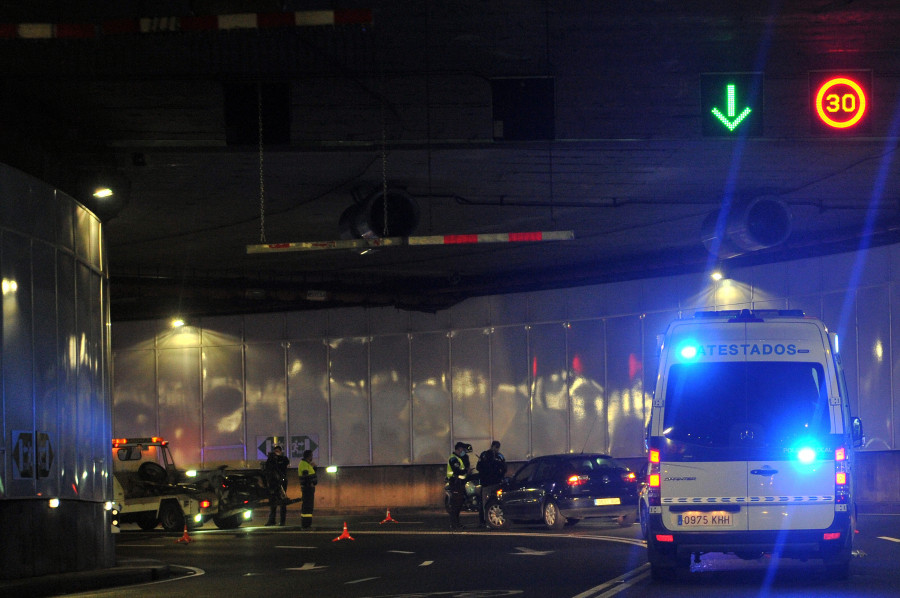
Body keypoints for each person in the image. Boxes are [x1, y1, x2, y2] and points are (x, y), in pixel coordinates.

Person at [476, 440, 507, 527]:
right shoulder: (489, 456)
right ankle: (484, 521)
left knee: (487, 503)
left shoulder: (486, 455)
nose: (496, 449)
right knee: (486, 503)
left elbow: (479, 467)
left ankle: (485, 522)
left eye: (498, 448)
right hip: (491, 483)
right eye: (496, 447)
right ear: (492, 446)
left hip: (490, 483)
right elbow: (504, 468)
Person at [263, 445, 290, 526]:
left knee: (282, 500)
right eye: (275, 451)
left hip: (282, 482)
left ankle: (282, 521)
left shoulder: (283, 459)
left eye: (278, 451)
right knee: (272, 501)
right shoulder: (271, 460)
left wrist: (278, 458)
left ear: (281, 452)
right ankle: (271, 520)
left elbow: (286, 463)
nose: (276, 453)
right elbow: (268, 468)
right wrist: (272, 458)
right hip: (273, 482)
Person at [446, 441, 470, 530]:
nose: (463, 451)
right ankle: (454, 524)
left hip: (459, 483)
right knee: (455, 505)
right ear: (459, 449)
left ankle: (457, 524)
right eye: (462, 449)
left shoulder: (459, 458)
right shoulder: (453, 459)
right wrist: (466, 471)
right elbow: (457, 471)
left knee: (458, 505)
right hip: (455, 483)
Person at [298, 449, 318, 529]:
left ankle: (306, 524)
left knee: (308, 506)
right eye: (311, 456)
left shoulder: (306, 464)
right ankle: (306, 525)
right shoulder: (304, 464)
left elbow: (312, 474)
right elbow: (306, 476)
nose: (312, 457)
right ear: (309, 456)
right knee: (308, 506)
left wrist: (314, 468)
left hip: (308, 488)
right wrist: (310, 484)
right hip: (308, 488)